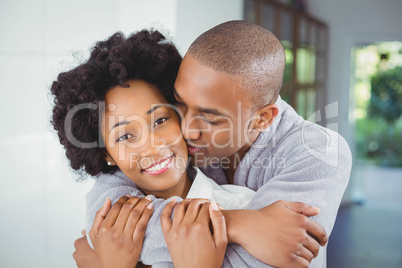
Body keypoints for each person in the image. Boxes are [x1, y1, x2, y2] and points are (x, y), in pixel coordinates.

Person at [72, 20, 351, 267]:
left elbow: (263, 260)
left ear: (262, 119)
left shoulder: (318, 152)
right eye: (179, 102)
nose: (187, 129)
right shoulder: (173, 142)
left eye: (209, 118)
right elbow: (107, 222)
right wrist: (241, 224)